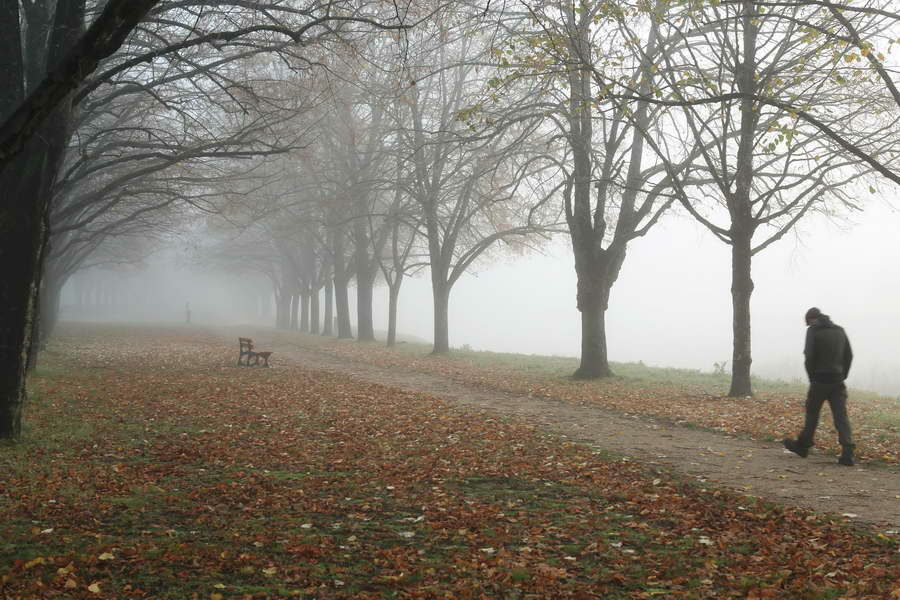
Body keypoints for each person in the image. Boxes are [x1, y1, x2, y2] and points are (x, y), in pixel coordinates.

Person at [783, 307, 855, 466]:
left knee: (812, 413)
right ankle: (847, 451)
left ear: (811, 319)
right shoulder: (840, 330)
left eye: (807, 322)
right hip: (838, 381)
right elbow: (849, 355)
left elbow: (809, 356)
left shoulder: (813, 331)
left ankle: (802, 446)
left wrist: (812, 377)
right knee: (841, 416)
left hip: (820, 380)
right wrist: (843, 375)